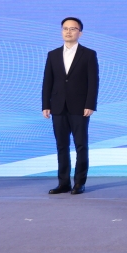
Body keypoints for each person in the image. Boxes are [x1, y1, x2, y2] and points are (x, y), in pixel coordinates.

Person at [41, 17, 98, 195]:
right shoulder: (53, 55)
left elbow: (93, 82)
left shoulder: (88, 54)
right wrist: (46, 104)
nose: (68, 32)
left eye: (73, 29)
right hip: (58, 107)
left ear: (80, 33)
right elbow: (47, 81)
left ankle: (79, 182)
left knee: (81, 145)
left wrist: (90, 104)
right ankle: (63, 182)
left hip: (80, 107)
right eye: (65, 28)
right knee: (61, 146)